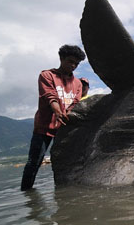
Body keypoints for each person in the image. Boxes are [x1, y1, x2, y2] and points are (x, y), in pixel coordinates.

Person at [21, 45, 86, 191]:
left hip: (64, 128)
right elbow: (50, 96)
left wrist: (68, 114)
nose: (73, 66)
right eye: (70, 61)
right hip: (44, 127)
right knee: (34, 162)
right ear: (61, 59)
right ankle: (27, 193)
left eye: (76, 63)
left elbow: (75, 103)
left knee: (66, 161)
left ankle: (63, 192)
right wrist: (57, 110)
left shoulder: (77, 84)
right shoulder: (47, 75)